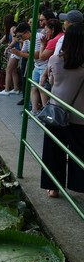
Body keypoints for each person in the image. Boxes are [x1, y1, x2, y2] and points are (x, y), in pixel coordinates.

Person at [40, 23, 84, 198]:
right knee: (80, 152)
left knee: (53, 150)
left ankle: (53, 187)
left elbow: (51, 80)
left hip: (57, 113)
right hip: (80, 117)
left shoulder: (55, 60)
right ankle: (79, 184)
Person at [0, 14, 21, 95]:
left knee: (8, 69)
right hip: (14, 51)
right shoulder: (9, 30)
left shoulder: (12, 28)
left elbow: (14, 40)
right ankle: (16, 88)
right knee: (13, 70)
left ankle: (6, 89)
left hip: (16, 50)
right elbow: (1, 41)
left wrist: (7, 48)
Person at [10, 22, 32, 105]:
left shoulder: (35, 38)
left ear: (26, 32)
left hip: (36, 64)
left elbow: (35, 55)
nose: (20, 38)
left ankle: (30, 105)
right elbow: (23, 51)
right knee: (25, 79)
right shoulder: (26, 41)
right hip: (28, 62)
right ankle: (26, 100)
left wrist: (18, 53)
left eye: (20, 36)